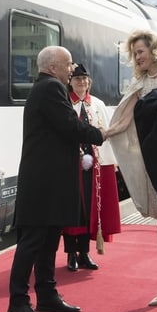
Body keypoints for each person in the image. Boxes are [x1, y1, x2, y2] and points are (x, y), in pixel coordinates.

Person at [7, 46, 105, 312]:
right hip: (43, 184)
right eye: (67, 64)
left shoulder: (47, 87)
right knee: (32, 243)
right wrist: (102, 134)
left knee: (49, 240)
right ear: (52, 67)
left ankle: (47, 294)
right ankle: (18, 302)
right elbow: (70, 127)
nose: (72, 69)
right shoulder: (50, 88)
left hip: (48, 182)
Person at [106, 29, 157, 306]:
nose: (136, 58)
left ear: (154, 49)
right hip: (155, 162)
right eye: (134, 53)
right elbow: (123, 122)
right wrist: (100, 133)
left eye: (140, 52)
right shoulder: (141, 84)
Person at [63, 64, 121, 272]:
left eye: (85, 79)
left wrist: (111, 161)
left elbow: (106, 133)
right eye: (78, 79)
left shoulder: (97, 104)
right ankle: (71, 254)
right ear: (70, 81)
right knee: (73, 211)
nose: (82, 82)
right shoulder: (65, 103)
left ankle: (84, 253)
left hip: (94, 167)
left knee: (90, 211)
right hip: (71, 166)